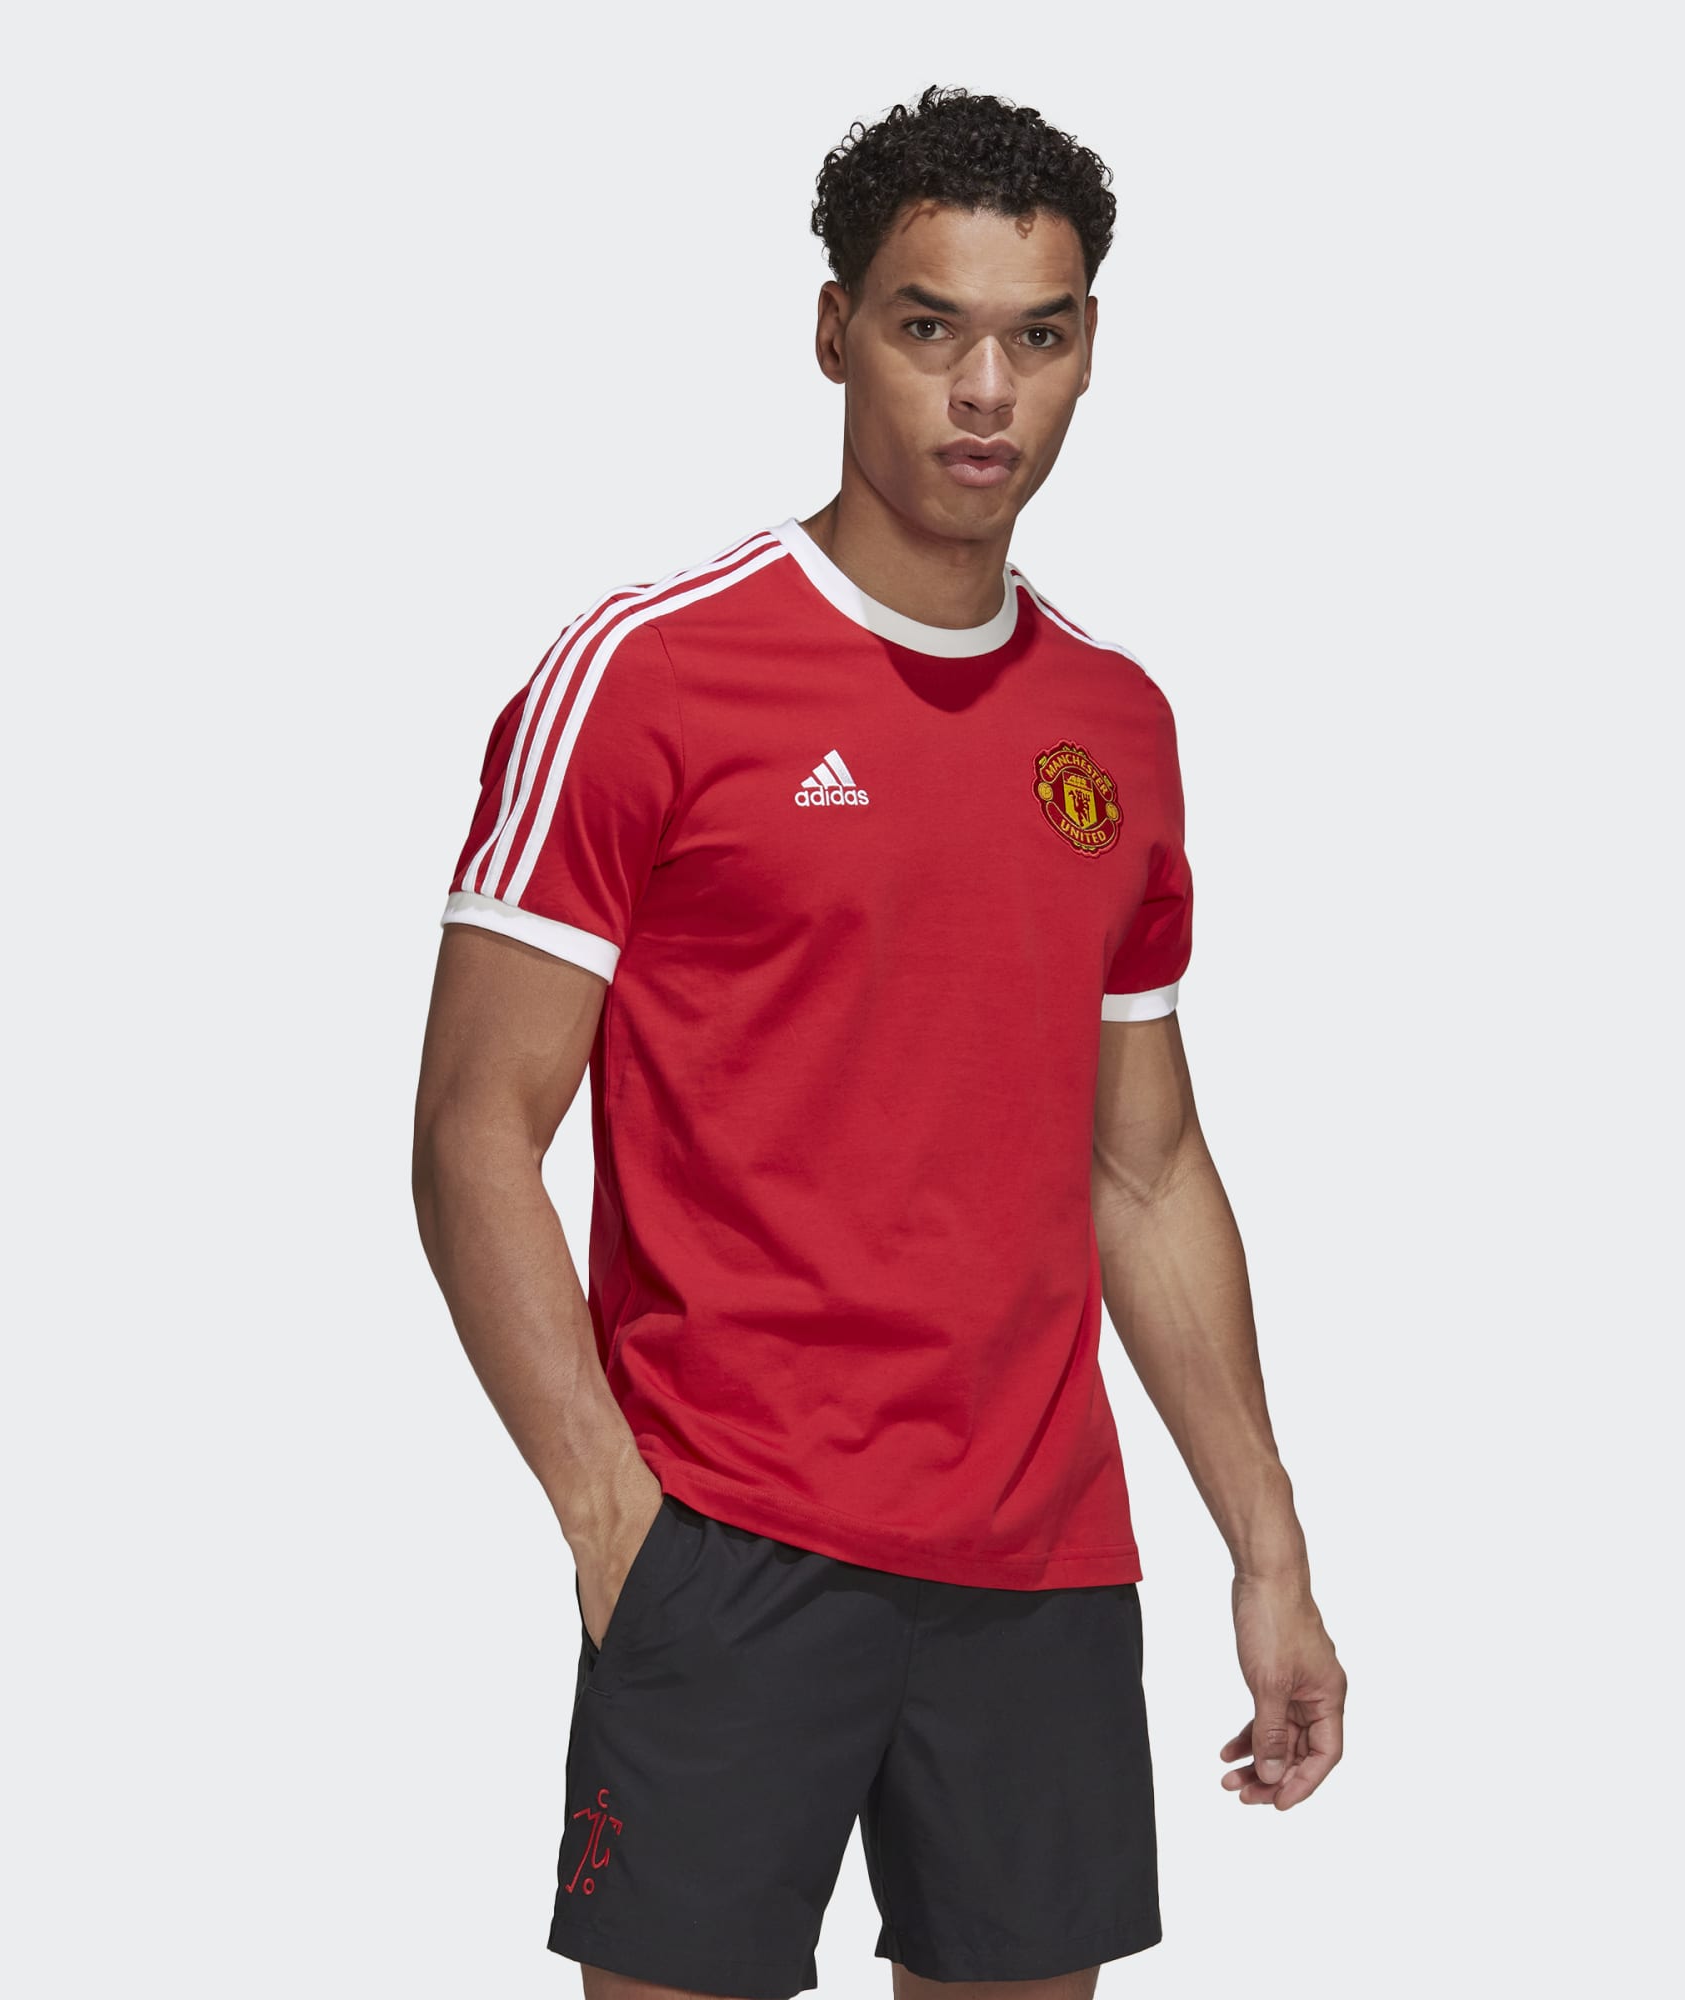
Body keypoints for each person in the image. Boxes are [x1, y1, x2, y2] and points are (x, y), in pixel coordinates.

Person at [411, 83, 1345, 2000]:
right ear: (835, 330)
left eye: (1039, 336)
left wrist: (1267, 1545)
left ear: (1091, 348)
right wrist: (611, 1520)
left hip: (1043, 1562)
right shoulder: (648, 676)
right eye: (932, 328)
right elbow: (474, 1129)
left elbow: (1144, 1163)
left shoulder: (1116, 721)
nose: (987, 391)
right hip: (730, 1540)